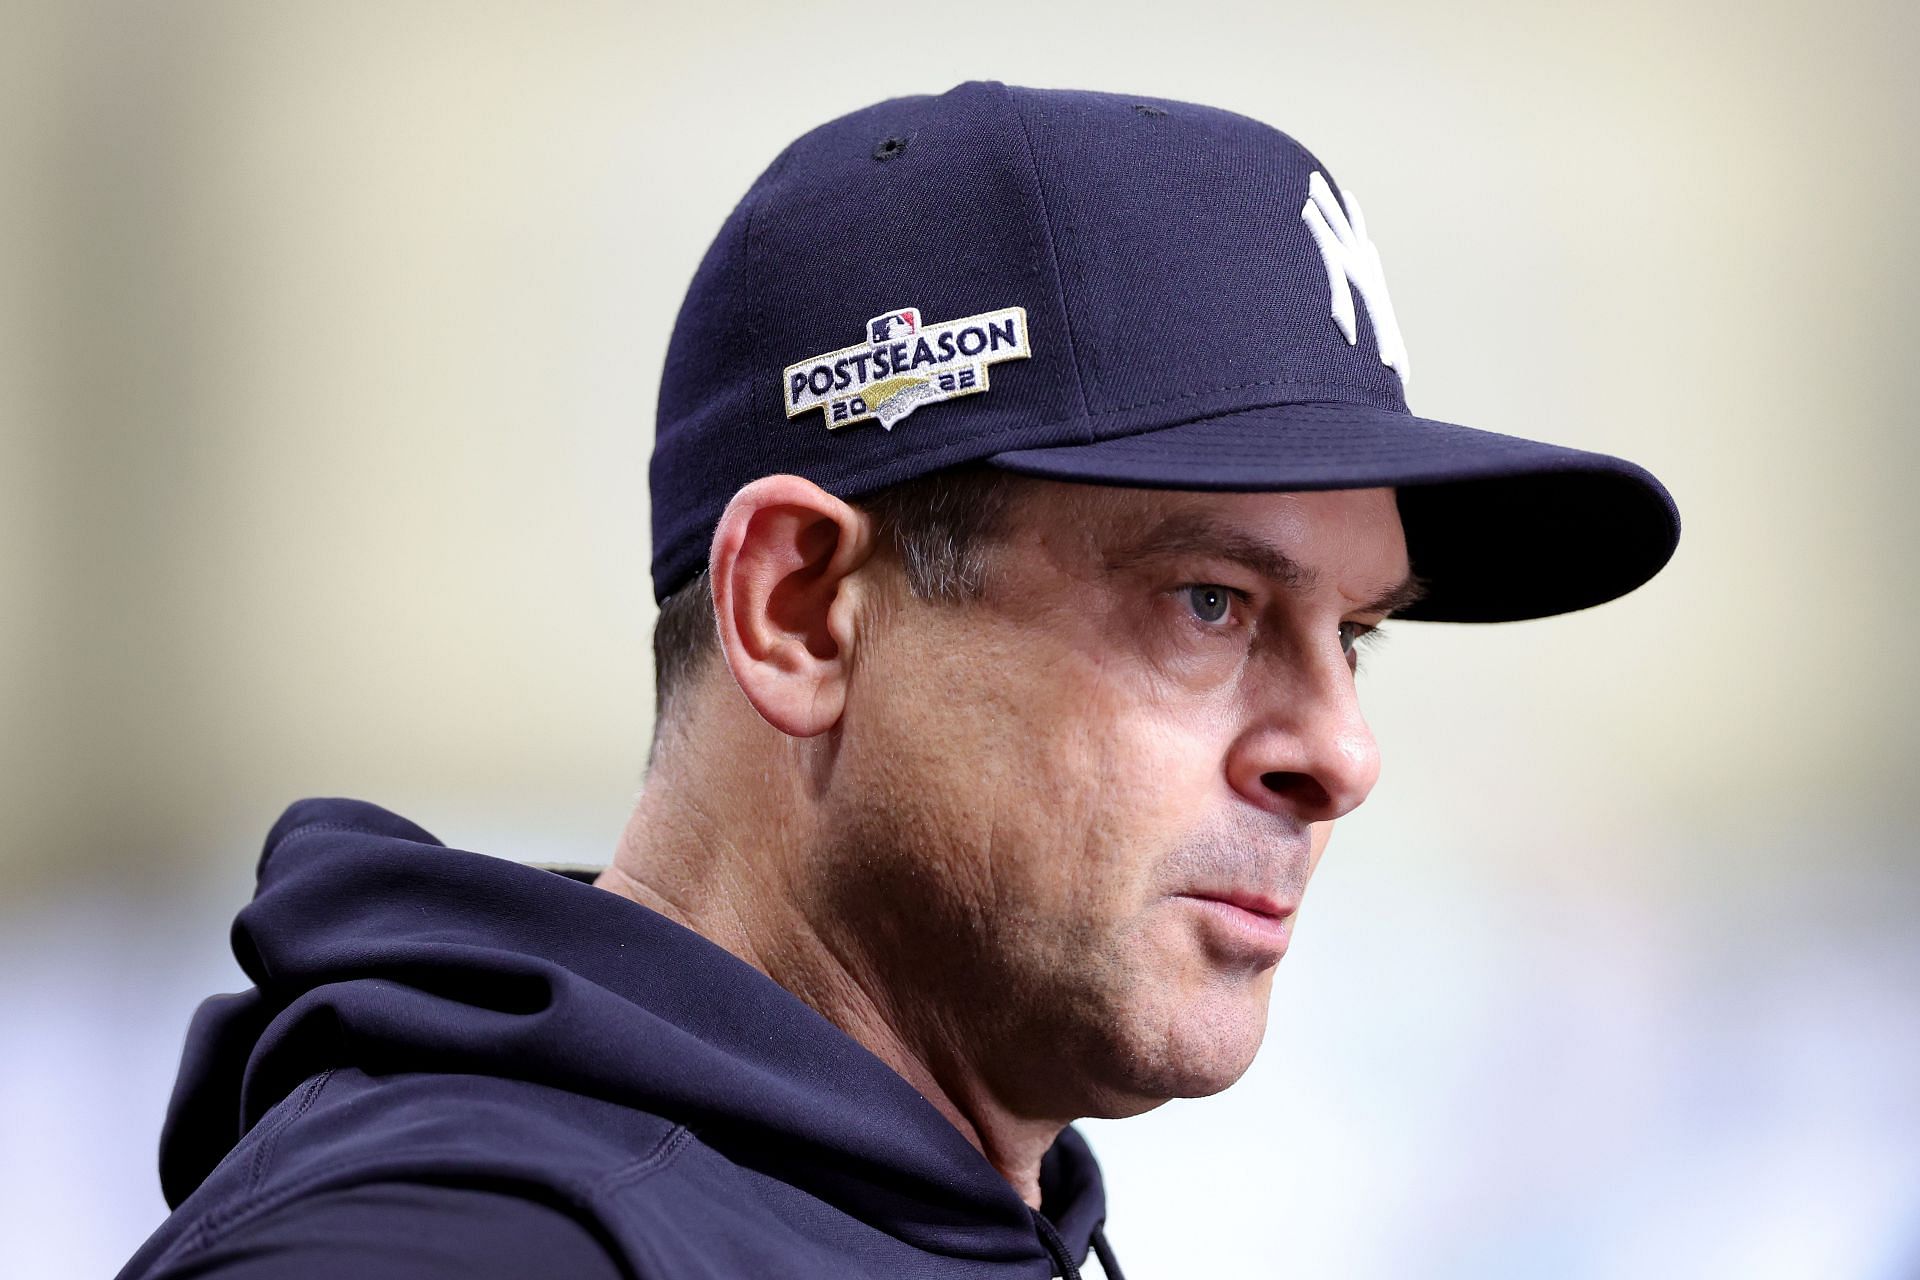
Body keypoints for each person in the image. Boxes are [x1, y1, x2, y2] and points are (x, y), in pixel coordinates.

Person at [117, 82, 1679, 1280]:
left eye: (1354, 634)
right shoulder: (461, 1252)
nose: (1339, 752)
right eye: (1211, 602)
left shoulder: (915, 1201)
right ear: (799, 612)